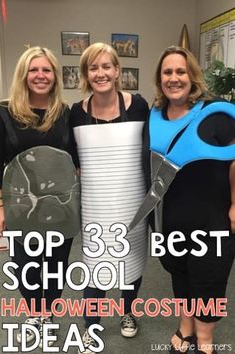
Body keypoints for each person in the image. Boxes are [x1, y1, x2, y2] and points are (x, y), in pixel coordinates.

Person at [142, 46, 235, 354]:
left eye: (180, 71)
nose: (174, 78)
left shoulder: (216, 112)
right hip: (171, 214)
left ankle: (205, 339)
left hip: (213, 215)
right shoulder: (154, 115)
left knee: (209, 276)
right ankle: (186, 328)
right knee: (178, 271)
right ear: (160, 79)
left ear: (192, 75)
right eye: (167, 72)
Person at [70, 42, 149, 354]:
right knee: (95, 264)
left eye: (106, 66)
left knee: (132, 262)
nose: (100, 73)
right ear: (86, 75)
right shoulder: (76, 112)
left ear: (117, 71)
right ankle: (92, 325)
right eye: (93, 68)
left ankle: (128, 311)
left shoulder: (139, 106)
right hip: (95, 204)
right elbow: (73, 159)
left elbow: (149, 150)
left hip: (133, 200)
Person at [0, 46, 80, 348]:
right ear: (24, 74)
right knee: (25, 265)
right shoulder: (4, 111)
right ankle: (35, 312)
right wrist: (0, 206)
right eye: (34, 70)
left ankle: (48, 313)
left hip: (60, 205)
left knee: (56, 265)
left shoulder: (65, 114)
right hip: (20, 205)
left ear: (55, 76)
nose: (40, 75)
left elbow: (75, 158)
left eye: (46, 70)